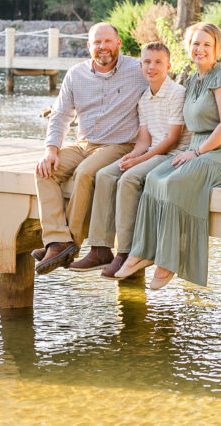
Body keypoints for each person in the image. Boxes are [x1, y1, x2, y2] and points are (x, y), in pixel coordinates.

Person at [115, 22, 221, 289]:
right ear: (188, 47)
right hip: (197, 150)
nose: (200, 49)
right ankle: (141, 251)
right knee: (154, 178)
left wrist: (196, 151)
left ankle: (168, 262)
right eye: (195, 44)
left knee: (174, 182)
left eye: (206, 45)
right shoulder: (192, 80)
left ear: (217, 48)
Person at [33, 22, 147, 275]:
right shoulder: (75, 74)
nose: (102, 47)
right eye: (97, 43)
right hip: (84, 142)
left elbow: (163, 92)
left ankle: (70, 241)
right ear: (89, 46)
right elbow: (61, 115)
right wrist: (51, 149)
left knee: (85, 173)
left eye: (108, 41)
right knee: (44, 171)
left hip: (119, 144)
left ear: (118, 43)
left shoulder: (137, 70)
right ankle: (56, 240)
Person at [69, 42, 189, 277]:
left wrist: (139, 161)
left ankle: (124, 250)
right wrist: (132, 155)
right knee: (105, 174)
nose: (151, 67)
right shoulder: (144, 98)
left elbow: (172, 140)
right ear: (140, 65)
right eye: (146, 62)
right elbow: (144, 138)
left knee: (128, 179)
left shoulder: (177, 93)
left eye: (157, 62)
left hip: (170, 155)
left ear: (168, 66)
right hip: (151, 151)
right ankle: (100, 249)